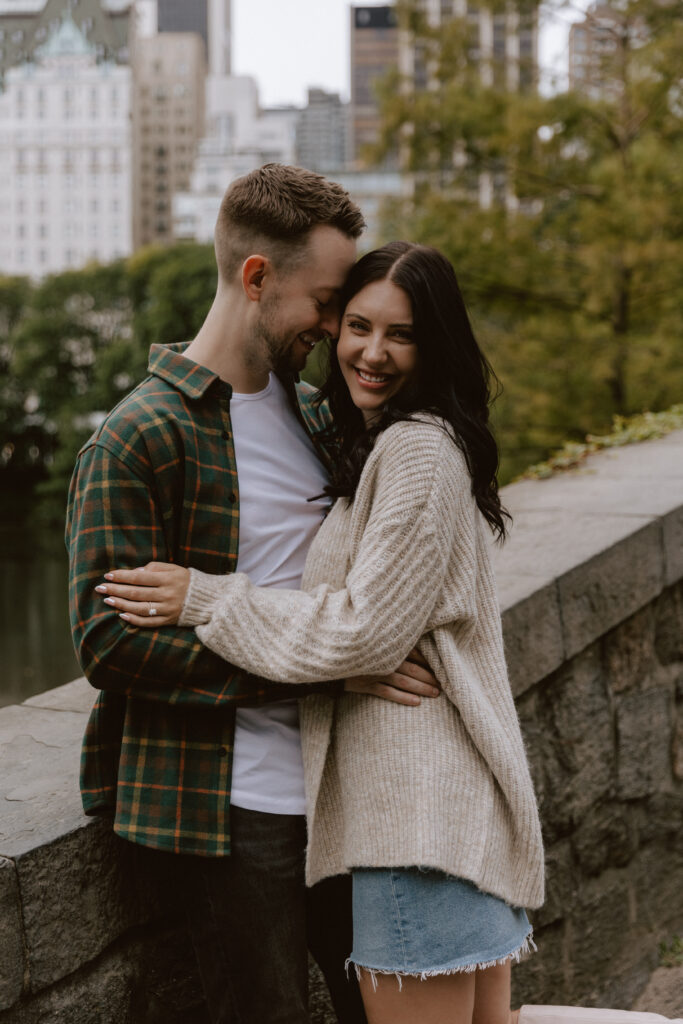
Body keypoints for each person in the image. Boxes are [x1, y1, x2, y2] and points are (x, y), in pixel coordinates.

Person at [97, 241, 547, 1024]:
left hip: (411, 821)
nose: (369, 351)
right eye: (354, 323)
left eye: (399, 334)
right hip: (421, 811)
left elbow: (365, 632)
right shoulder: (372, 435)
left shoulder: (412, 449)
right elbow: (107, 644)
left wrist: (207, 598)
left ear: (434, 342)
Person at [66, 169, 442, 1024]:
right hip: (228, 817)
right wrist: (318, 674)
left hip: (343, 788)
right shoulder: (138, 439)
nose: (332, 325)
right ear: (256, 279)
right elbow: (107, 644)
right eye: (323, 300)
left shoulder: (316, 414)